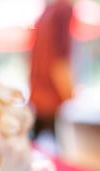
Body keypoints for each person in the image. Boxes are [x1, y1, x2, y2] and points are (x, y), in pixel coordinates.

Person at [29, 0, 74, 138]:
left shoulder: (45, 14)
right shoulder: (62, 11)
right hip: (51, 96)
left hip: (38, 94)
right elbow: (59, 58)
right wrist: (68, 92)